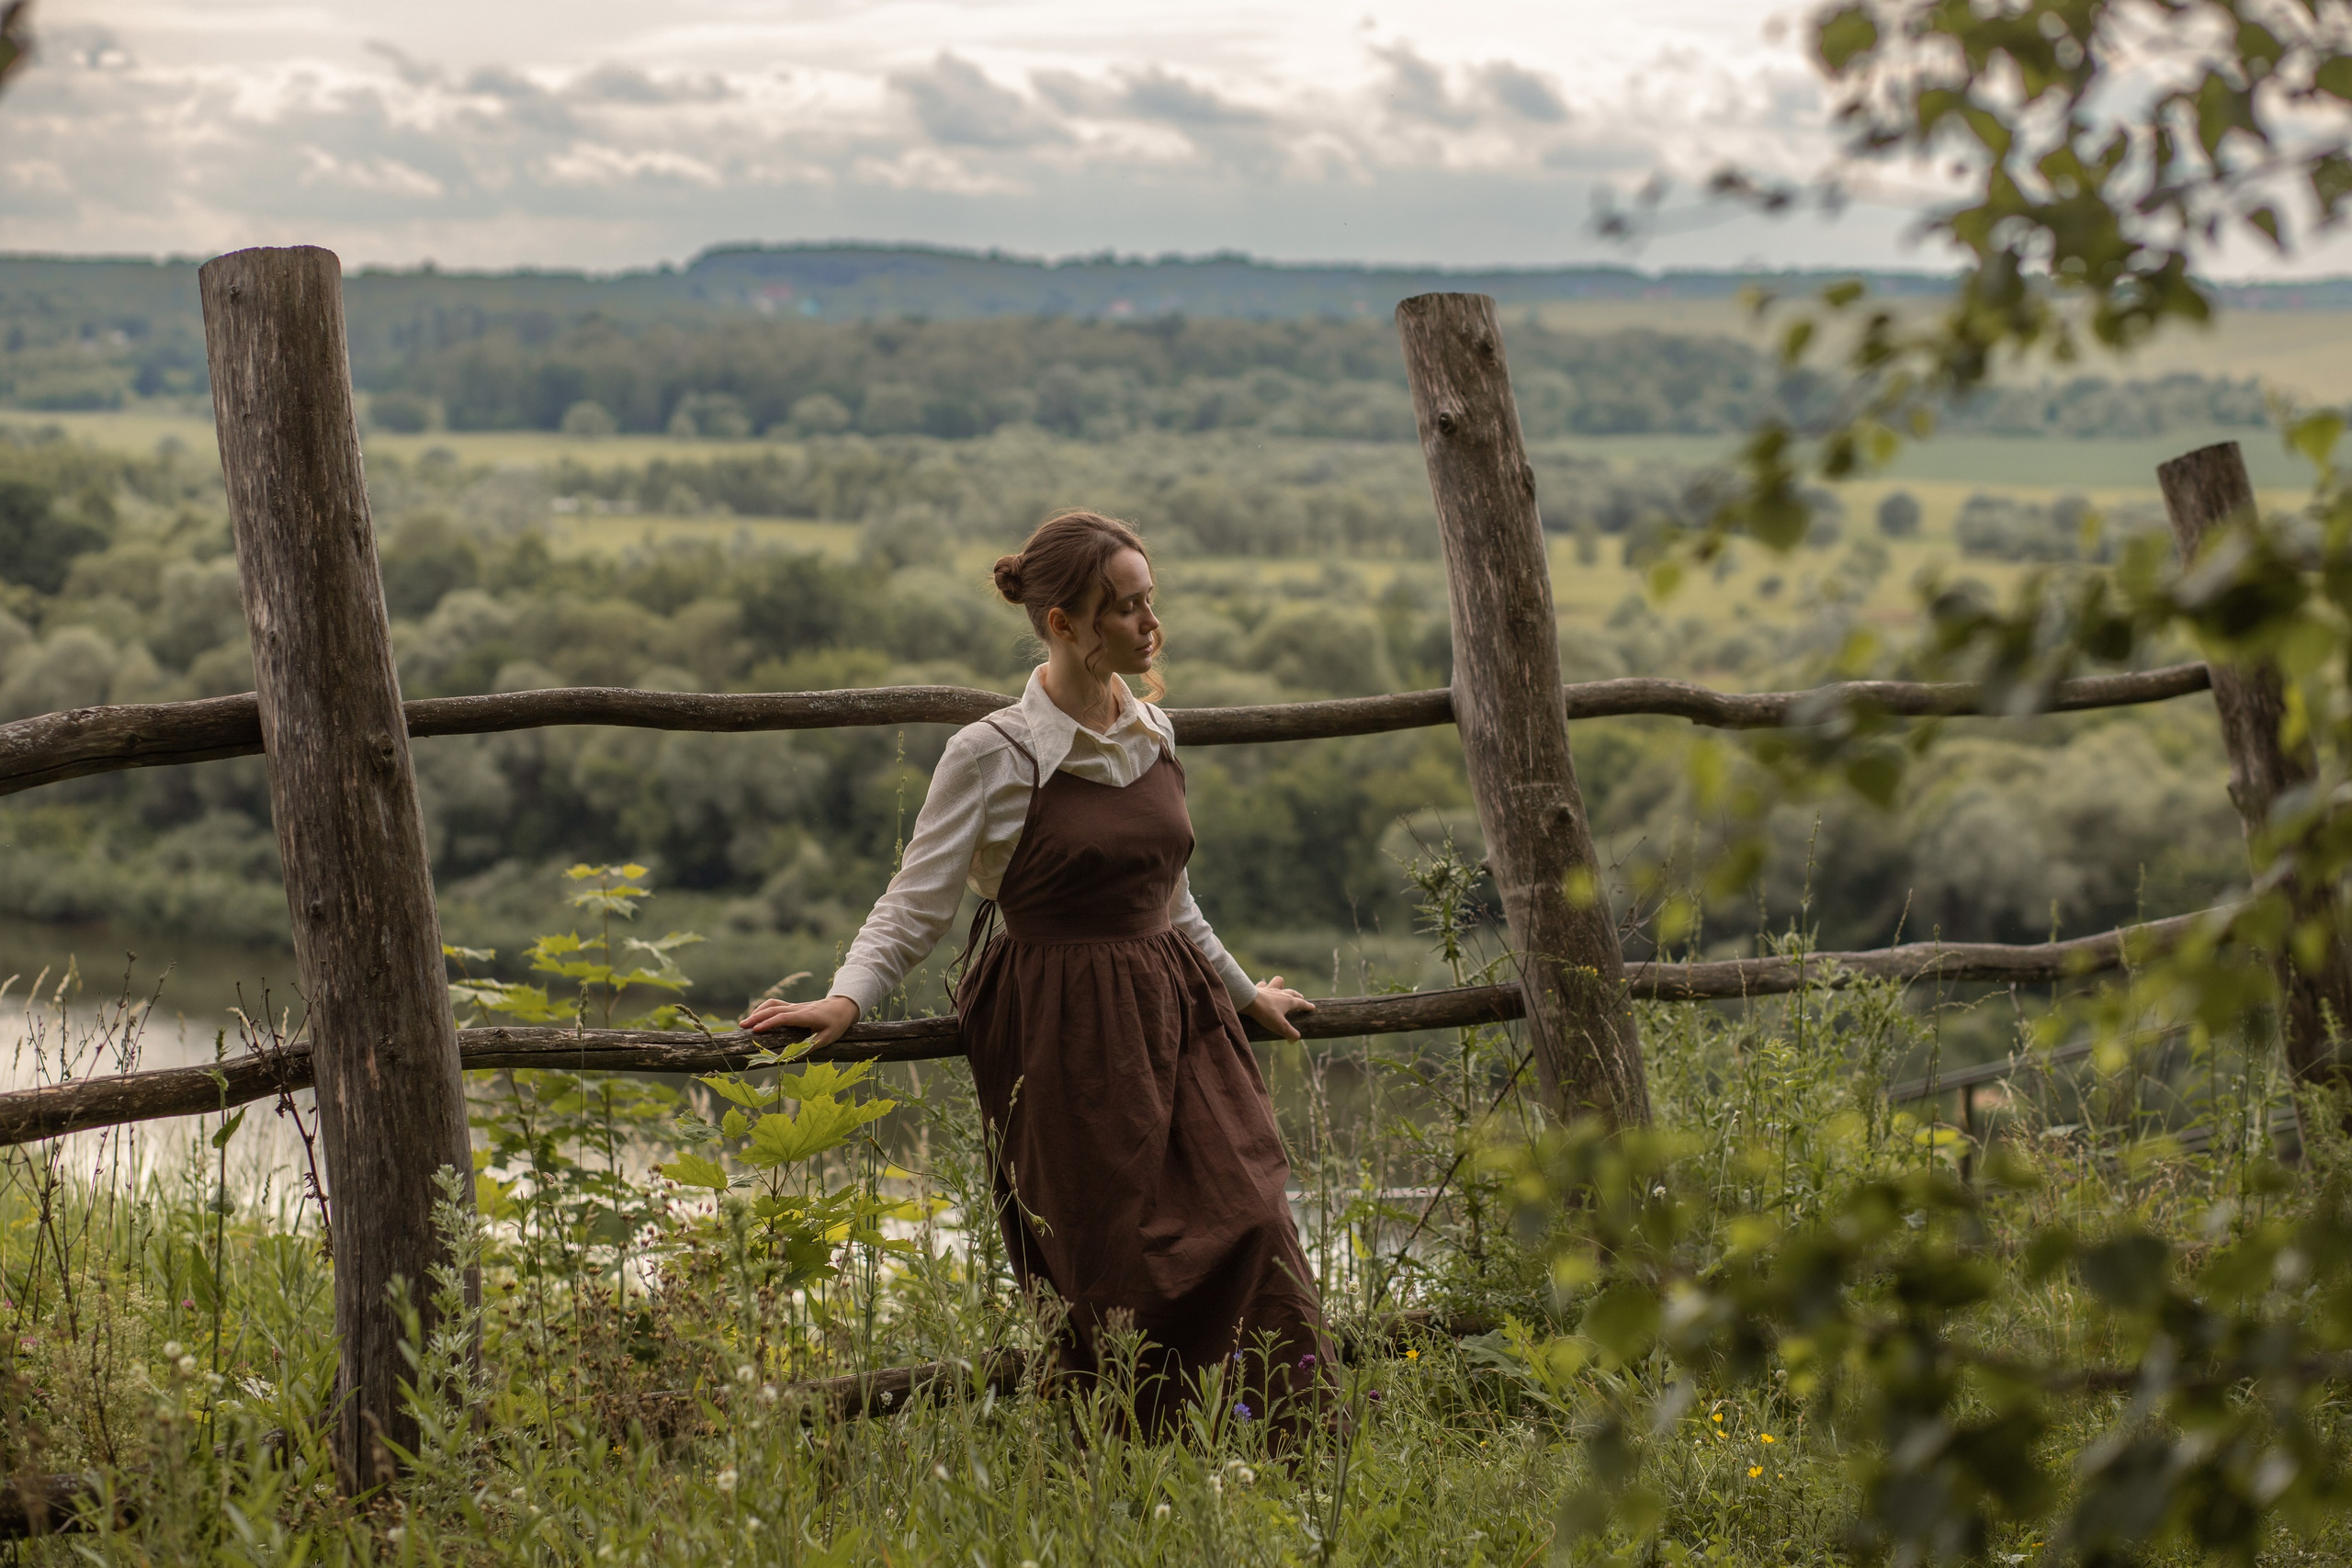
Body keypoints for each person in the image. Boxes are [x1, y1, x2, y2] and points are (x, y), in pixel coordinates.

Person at [740, 510, 1329, 1434]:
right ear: (1064, 623)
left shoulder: (1154, 732)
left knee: (1251, 1213)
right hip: (1061, 1023)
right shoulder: (994, 753)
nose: (1148, 625)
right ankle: (1131, 1464)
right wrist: (847, 997)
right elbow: (916, 901)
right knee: (1113, 1257)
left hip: (1177, 1010)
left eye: (1148, 603)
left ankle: (1293, 1446)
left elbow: (1173, 898)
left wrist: (1244, 990)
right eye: (1123, 609)